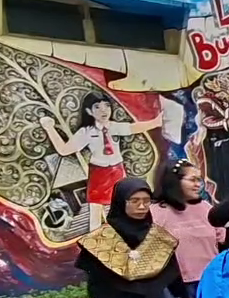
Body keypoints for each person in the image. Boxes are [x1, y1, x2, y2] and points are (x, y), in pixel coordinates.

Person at [41, 91, 163, 229]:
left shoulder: (114, 126)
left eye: (106, 106)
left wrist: (155, 122)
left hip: (117, 172)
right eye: (97, 107)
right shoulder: (86, 132)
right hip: (99, 173)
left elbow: (134, 128)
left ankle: (127, 234)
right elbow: (64, 150)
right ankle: (96, 242)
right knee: (95, 211)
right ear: (89, 111)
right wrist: (49, 128)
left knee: (122, 206)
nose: (103, 110)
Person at [76, 177, 182, 298]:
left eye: (147, 201)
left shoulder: (160, 238)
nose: (141, 206)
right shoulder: (101, 240)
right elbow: (97, 285)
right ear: (121, 202)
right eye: (134, 201)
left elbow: (174, 279)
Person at [150, 159, 223, 298]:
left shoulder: (205, 207)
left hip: (212, 280)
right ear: (175, 181)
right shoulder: (156, 212)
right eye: (193, 180)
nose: (198, 185)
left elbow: (223, 237)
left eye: (199, 180)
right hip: (176, 286)